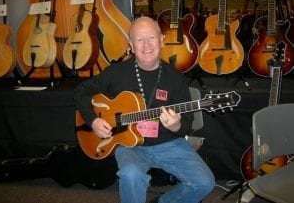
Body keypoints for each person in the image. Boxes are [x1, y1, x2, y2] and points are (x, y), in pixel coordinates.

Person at [73, 16, 215, 203]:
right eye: (139, 40)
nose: (146, 45)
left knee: (205, 182)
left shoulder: (176, 78)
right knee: (131, 175)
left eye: (152, 38)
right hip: (130, 146)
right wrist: (94, 120)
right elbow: (81, 92)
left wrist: (176, 126)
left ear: (162, 40)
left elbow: (187, 124)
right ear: (131, 45)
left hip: (169, 143)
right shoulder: (116, 73)